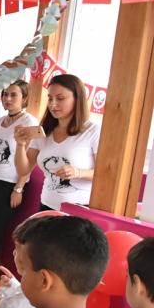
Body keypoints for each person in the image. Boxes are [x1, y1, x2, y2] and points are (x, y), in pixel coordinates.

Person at [13, 73, 100, 211]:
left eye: (60, 98)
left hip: (78, 210)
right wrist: (20, 144)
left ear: (77, 99)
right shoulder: (44, 131)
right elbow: (23, 170)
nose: (53, 104)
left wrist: (78, 172)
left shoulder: (92, 131)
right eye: (50, 98)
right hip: (47, 205)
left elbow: (104, 175)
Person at [0, 80, 38, 255]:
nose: (8, 98)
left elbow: (30, 160)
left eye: (13, 95)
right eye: (5, 94)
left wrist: (18, 189)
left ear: (24, 98)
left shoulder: (29, 122)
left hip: (9, 184)